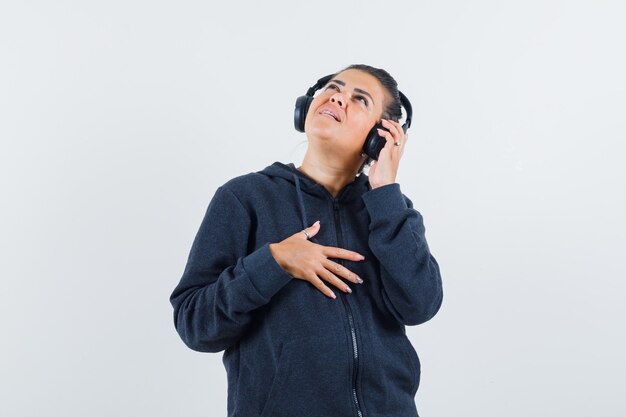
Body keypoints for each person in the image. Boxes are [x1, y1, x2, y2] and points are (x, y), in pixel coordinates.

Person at [169, 64, 443, 417]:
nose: (338, 97)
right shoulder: (245, 198)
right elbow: (195, 324)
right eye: (333, 88)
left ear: (382, 136)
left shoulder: (390, 210)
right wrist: (274, 262)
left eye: (359, 99)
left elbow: (421, 305)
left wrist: (386, 192)